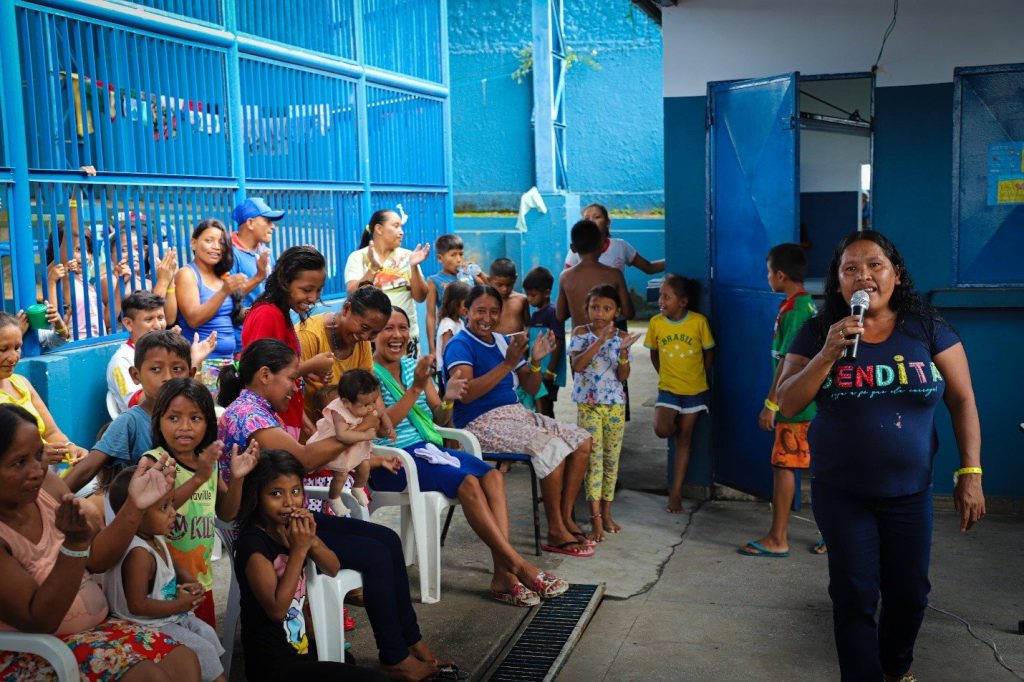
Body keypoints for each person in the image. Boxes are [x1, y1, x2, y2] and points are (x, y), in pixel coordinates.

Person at [776, 230, 985, 682]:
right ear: (837, 280)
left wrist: (971, 471)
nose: (863, 276)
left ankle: (897, 669)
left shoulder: (927, 328)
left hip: (910, 493)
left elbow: (962, 400)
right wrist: (827, 354)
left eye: (874, 265)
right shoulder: (817, 331)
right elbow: (787, 403)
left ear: (895, 274)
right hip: (842, 492)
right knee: (854, 594)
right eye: (850, 268)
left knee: (911, 594)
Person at [217, 339, 461, 681]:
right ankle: (395, 655)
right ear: (264, 375)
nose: (295, 386)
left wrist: (361, 439)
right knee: (375, 554)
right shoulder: (248, 415)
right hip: (270, 530)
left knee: (387, 540)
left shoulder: (258, 410)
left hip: (286, 517)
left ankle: (412, 641)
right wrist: (359, 432)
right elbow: (299, 462)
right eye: (291, 378)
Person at [374, 307, 569, 605]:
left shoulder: (416, 366)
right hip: (395, 459)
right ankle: (518, 566)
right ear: (375, 333)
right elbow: (382, 426)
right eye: (388, 328)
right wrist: (415, 388)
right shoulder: (367, 375)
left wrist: (449, 399)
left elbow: (439, 417)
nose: (397, 335)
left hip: (429, 451)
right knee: (467, 482)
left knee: (490, 475)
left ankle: (504, 575)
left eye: (402, 328)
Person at [0, 404, 201, 681]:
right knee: (148, 677)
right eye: (19, 462)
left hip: (94, 633)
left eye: (39, 455)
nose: (37, 470)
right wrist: (74, 547)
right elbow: (40, 621)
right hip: (35, 654)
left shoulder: (46, 486)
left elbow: (96, 560)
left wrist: (134, 506)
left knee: (185, 660)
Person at [444, 285, 594, 557]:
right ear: (466, 311)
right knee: (550, 447)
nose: (486, 318)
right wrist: (506, 364)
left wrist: (535, 361)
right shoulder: (460, 344)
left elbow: (531, 385)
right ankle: (557, 530)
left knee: (582, 439)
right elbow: (465, 396)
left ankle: (564, 518)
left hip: (515, 414)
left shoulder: (502, 342)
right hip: (479, 423)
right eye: (480, 311)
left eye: (493, 312)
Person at [233, 449, 388, 681]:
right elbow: (276, 611)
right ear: (256, 496)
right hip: (273, 665)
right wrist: (298, 550)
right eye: (276, 494)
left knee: (348, 661)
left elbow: (332, 567)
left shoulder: (293, 529)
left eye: (295, 491)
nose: (289, 502)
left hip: (300, 649)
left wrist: (311, 541)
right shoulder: (252, 545)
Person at [142, 378, 259, 628]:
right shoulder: (154, 463)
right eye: (174, 418)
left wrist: (237, 479)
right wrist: (198, 478)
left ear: (208, 424)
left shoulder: (207, 463)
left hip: (201, 581)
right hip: (162, 585)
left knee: (206, 654)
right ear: (158, 422)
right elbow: (156, 511)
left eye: (195, 418)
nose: (185, 427)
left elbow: (227, 514)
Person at [739, 243, 823, 558]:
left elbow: (792, 362)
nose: (767, 277)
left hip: (794, 406)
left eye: (768, 272)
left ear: (780, 275)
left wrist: (772, 403)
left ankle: (778, 538)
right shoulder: (798, 305)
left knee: (784, 466)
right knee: (817, 468)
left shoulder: (799, 309)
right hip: (804, 403)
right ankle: (832, 534)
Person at [103, 467, 226, 682]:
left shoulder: (156, 538)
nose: (173, 512)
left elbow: (174, 565)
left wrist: (191, 581)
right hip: (142, 624)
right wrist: (180, 605)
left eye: (171, 503)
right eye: (163, 507)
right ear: (135, 514)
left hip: (167, 616)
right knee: (202, 649)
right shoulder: (138, 553)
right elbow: (137, 606)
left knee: (206, 633)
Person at [66, 330, 194, 494]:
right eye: (156, 369)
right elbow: (87, 469)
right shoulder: (130, 422)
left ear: (190, 374)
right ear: (136, 375)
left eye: (177, 369)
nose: (168, 377)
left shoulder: (198, 418)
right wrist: (47, 502)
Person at [569, 285, 642, 541]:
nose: (600, 313)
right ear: (587, 309)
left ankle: (608, 513)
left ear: (616, 312)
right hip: (588, 406)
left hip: (615, 407)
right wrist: (599, 342)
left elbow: (623, 376)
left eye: (607, 309)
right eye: (595, 307)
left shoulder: (622, 337)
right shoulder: (580, 333)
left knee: (611, 461)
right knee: (594, 462)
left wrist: (623, 353)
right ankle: (595, 518)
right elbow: (577, 366)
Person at [241, 245, 334, 439]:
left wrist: (305, 424)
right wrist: (310, 366)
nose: (314, 298)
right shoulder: (268, 315)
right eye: (307, 289)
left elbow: (281, 371)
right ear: (285, 282)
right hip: (270, 424)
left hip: (286, 420)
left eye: (318, 290)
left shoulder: (280, 314)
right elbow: (258, 375)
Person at [645, 274, 714, 514]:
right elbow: (654, 353)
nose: (661, 301)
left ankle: (675, 493)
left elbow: (708, 353)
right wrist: (664, 374)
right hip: (669, 389)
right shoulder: (656, 323)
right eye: (660, 296)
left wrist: (701, 378)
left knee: (685, 440)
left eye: (667, 296)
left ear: (683, 302)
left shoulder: (698, 322)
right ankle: (674, 426)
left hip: (694, 391)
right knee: (662, 429)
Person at [0, 312, 89, 471]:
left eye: (17, 347)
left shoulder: (21, 384)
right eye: (3, 349)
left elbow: (52, 432)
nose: (13, 357)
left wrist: (69, 448)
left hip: (46, 473)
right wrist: (37, 454)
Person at [174, 218, 251, 397]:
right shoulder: (187, 274)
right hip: (204, 363)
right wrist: (224, 292)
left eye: (221, 242)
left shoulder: (221, 276)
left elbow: (228, 317)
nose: (216, 247)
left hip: (229, 362)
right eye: (209, 240)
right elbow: (193, 318)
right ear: (194, 243)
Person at [345, 210, 429, 356]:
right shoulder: (358, 257)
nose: (401, 232)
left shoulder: (408, 256)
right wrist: (373, 268)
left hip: (403, 338)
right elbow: (353, 294)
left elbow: (420, 297)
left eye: (401, 227)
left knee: (406, 377)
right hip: (372, 339)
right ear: (379, 229)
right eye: (396, 226)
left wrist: (414, 267)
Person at [306, 370, 384, 518]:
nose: (371, 407)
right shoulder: (338, 412)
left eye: (373, 402)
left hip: (354, 445)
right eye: (366, 404)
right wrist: (365, 434)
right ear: (346, 402)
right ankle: (334, 498)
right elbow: (342, 436)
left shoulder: (363, 405)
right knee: (341, 475)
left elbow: (379, 415)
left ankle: (358, 487)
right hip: (338, 447)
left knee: (365, 465)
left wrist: (388, 428)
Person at [556, 220, 634, 328]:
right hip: (607, 341)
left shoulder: (565, 277)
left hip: (579, 342)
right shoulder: (614, 275)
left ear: (573, 248)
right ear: (601, 245)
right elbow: (629, 313)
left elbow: (560, 316)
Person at [107, 291, 170, 412]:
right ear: (128, 324)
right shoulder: (121, 360)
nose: (158, 326)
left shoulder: (167, 351)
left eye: (161, 318)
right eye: (149, 319)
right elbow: (137, 403)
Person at [229, 197, 280, 347]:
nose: (273, 227)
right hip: (241, 342)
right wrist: (259, 277)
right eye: (268, 221)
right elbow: (226, 297)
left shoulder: (263, 252)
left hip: (265, 337)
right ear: (250, 223)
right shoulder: (230, 254)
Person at [564, 202, 664, 275]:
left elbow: (649, 267)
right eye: (587, 218)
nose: (591, 221)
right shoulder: (578, 249)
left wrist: (675, 259)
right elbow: (567, 280)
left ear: (607, 223)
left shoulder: (621, 246)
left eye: (597, 217)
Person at [425, 234, 483, 356]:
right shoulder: (434, 281)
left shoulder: (469, 277)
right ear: (440, 258)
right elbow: (430, 316)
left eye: (461, 254)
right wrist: (432, 349)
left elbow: (489, 289)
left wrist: (478, 272)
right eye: (453, 255)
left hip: (472, 333)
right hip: (449, 334)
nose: (459, 259)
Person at [523, 266, 565, 419]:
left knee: (546, 407)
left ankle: (551, 435)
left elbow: (558, 342)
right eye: (527, 294)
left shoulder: (553, 313)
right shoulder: (536, 314)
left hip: (547, 373)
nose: (529, 299)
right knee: (539, 405)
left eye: (533, 295)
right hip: (537, 370)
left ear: (546, 293)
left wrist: (550, 371)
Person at [487, 258, 529, 335]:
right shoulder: (485, 301)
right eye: (499, 285)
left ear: (515, 278)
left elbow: (529, 326)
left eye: (509, 284)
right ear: (489, 280)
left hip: (518, 345)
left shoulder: (521, 300)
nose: (504, 289)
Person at [435, 280, 470, 362]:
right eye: (466, 303)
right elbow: (446, 351)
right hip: (447, 370)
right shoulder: (448, 324)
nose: (469, 307)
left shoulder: (460, 322)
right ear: (454, 303)